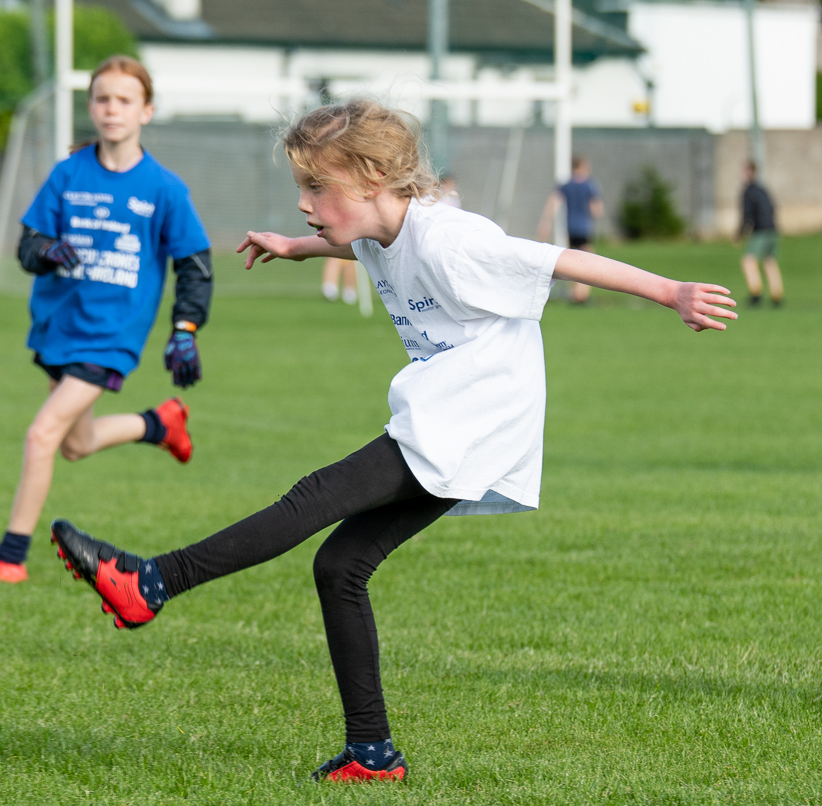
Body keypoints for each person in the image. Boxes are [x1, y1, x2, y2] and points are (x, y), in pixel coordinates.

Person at [48, 99, 735, 781]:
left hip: (473, 413)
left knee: (314, 496)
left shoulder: (450, 238)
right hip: (465, 417)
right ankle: (372, 756)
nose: (304, 203)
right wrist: (295, 247)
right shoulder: (379, 227)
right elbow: (357, 238)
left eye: (316, 188)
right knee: (339, 568)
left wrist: (670, 289)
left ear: (373, 178)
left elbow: (558, 260)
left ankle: (151, 581)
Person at [0, 56, 213, 584]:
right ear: (90, 107)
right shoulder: (68, 173)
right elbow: (28, 245)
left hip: (111, 335)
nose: (111, 109)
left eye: (124, 100)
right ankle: (159, 424)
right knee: (74, 444)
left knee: (41, 435)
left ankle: (10, 558)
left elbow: (194, 264)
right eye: (102, 98)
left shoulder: (164, 189)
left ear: (146, 110)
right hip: (59, 328)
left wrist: (185, 329)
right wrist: (48, 251)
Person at [538, 156, 604, 304]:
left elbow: (553, 203)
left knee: (573, 260)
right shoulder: (589, 185)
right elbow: (596, 210)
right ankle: (581, 295)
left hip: (570, 228)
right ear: (581, 167)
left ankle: (574, 292)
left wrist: (545, 223)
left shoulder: (566, 185)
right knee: (588, 260)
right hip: (583, 228)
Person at [736, 160, 784, 307]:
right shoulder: (763, 189)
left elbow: (747, 214)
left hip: (760, 231)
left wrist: (740, 232)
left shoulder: (748, 192)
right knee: (769, 261)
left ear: (749, 172)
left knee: (748, 261)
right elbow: (773, 208)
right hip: (773, 229)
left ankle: (755, 293)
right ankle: (777, 295)